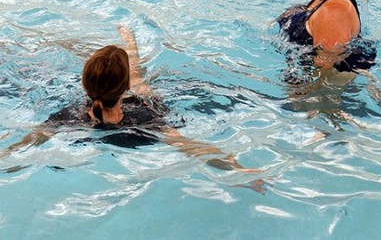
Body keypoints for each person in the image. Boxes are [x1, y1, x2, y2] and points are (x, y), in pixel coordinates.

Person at [1, 26, 252, 172]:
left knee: (139, 83)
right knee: (143, 87)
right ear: (125, 88)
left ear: (85, 85)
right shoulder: (144, 116)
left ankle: (130, 44)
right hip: (137, 126)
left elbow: (27, 143)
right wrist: (240, 171)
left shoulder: (68, 115)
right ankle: (131, 42)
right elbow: (193, 147)